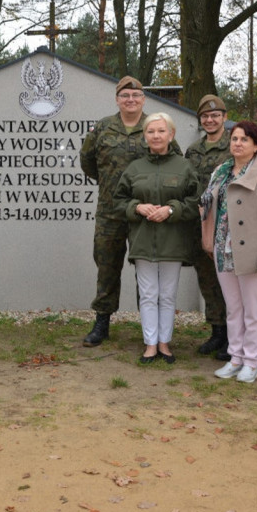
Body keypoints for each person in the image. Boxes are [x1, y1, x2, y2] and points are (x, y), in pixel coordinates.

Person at [201, 121, 257, 384]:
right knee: (233, 308)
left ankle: (251, 361)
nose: (238, 143)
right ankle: (235, 357)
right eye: (235, 138)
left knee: (253, 310)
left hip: (253, 252)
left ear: (256, 145)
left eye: (245, 139)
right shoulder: (221, 172)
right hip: (223, 249)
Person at [114, 113, 199, 364]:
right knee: (149, 294)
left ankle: (165, 343)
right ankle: (150, 344)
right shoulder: (135, 168)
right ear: (144, 136)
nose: (156, 136)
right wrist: (136, 208)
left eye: (161, 131)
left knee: (168, 294)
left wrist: (172, 210)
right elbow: (118, 201)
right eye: (151, 132)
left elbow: (195, 202)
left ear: (171, 135)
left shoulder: (183, 167)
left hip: (172, 241)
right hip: (142, 241)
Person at [79, 75, 149, 347]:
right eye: (125, 96)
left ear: (143, 99)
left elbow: (171, 158)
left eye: (135, 96)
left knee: (147, 269)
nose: (130, 100)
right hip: (110, 211)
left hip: (145, 213)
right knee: (106, 267)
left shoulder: (154, 126)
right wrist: (110, 183)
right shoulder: (103, 128)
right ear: (117, 99)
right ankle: (102, 322)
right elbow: (87, 161)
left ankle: (151, 325)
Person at [184, 94, 231, 360]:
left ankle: (232, 335)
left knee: (229, 280)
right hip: (201, 224)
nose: (210, 119)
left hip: (229, 223)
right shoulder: (193, 150)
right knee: (207, 278)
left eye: (215, 115)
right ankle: (217, 331)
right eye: (205, 116)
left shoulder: (235, 144)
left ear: (224, 117)